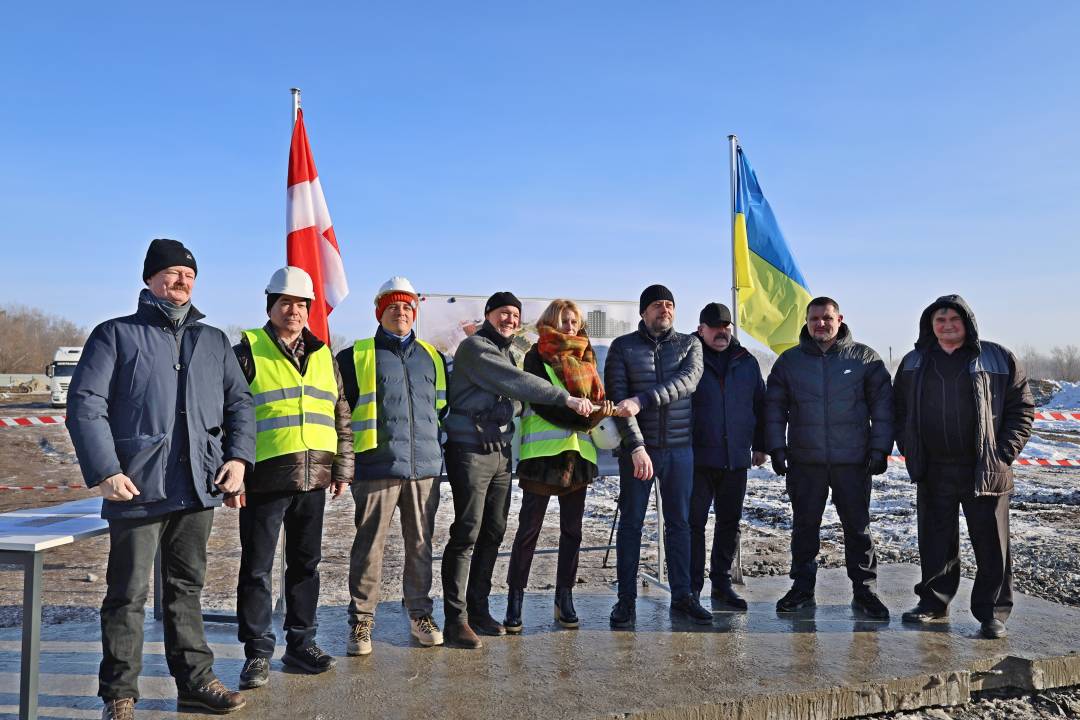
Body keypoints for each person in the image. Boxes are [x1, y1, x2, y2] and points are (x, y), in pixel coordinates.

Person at [66, 239, 255, 719]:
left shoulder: (212, 341)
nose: (181, 281)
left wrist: (238, 459)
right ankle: (120, 694)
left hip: (198, 484)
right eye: (171, 273)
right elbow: (86, 403)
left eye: (189, 274)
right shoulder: (116, 334)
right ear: (150, 278)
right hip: (137, 486)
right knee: (127, 593)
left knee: (187, 587)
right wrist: (106, 469)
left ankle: (194, 682)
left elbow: (240, 405)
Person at [441, 291, 594, 648]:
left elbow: (518, 401)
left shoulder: (513, 352)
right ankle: (455, 618)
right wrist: (564, 398)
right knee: (467, 531)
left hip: (500, 454)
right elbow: (516, 383)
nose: (509, 319)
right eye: (502, 313)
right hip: (471, 451)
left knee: (494, 530)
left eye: (514, 314)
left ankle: (478, 608)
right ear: (488, 315)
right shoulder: (476, 348)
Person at [231, 266, 353, 689]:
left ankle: (301, 644)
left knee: (305, 565)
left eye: (302, 305)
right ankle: (258, 652)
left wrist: (343, 468)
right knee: (258, 568)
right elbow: (229, 413)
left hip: (314, 477)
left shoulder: (323, 354)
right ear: (271, 307)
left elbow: (340, 413)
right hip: (263, 478)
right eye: (286, 303)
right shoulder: (247, 349)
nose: (295, 311)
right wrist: (234, 470)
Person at [894, 295, 1033, 639]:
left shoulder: (997, 357)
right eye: (939, 320)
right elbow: (898, 411)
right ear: (930, 325)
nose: (946, 325)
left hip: (984, 468)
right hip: (934, 468)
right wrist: (910, 450)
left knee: (992, 544)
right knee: (935, 542)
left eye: (953, 319)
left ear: (967, 323)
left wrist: (1003, 453)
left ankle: (993, 613)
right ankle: (933, 602)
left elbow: (1022, 409)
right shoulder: (914, 361)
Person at [337, 277, 449, 655]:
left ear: (414, 313)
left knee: (420, 545)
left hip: (424, 470)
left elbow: (442, 410)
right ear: (379, 313)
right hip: (376, 468)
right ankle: (361, 620)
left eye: (406, 307)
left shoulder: (433, 357)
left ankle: (420, 613)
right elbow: (340, 413)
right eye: (392, 307)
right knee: (369, 547)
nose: (400, 312)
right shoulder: (356, 355)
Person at [764, 296, 893, 619]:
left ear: (840, 319)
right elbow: (774, 409)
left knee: (858, 528)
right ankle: (802, 589)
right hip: (806, 462)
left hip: (853, 461)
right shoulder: (790, 362)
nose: (820, 324)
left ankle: (865, 591)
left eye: (827, 318)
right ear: (806, 323)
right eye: (814, 319)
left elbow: (883, 408)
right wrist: (777, 449)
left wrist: (880, 450)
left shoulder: (865, 359)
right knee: (805, 528)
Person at [503, 299, 614, 633]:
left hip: (579, 458)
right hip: (543, 458)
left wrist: (601, 410)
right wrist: (591, 414)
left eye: (575, 321)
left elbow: (597, 399)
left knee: (573, 533)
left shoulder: (587, 356)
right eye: (565, 320)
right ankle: (515, 599)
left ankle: (564, 598)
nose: (571, 327)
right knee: (528, 533)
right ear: (551, 321)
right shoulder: (535, 355)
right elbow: (546, 404)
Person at [606, 284, 706, 628]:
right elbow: (620, 401)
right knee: (631, 525)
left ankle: (683, 596)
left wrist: (643, 399)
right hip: (639, 452)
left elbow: (688, 381)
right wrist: (636, 447)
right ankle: (626, 601)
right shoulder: (622, 347)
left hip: (680, 451)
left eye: (669, 304)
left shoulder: (690, 344)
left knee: (681, 524)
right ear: (643, 312)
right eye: (657, 305)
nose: (664, 309)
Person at [689, 302, 767, 610]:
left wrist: (760, 445)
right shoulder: (688, 357)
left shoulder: (746, 362)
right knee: (693, 524)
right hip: (696, 459)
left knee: (729, 523)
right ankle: (692, 589)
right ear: (701, 329)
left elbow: (759, 405)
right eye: (714, 326)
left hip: (735, 459)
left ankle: (721, 584)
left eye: (726, 326)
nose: (721, 331)